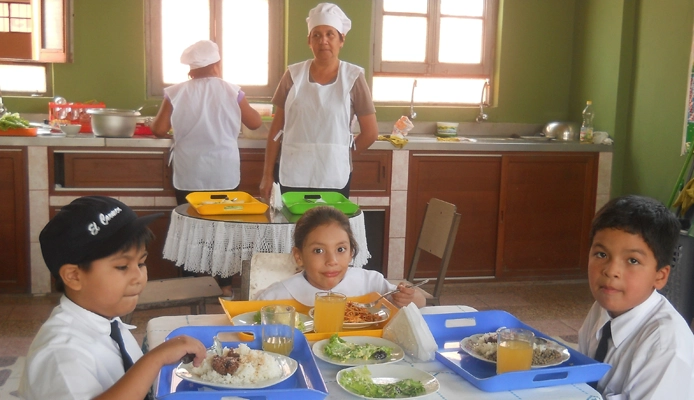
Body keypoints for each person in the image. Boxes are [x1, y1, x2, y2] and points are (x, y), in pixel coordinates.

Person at [19, 196, 207, 400]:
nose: (138, 276)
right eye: (122, 267)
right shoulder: (61, 354)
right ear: (74, 276)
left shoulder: (107, 320)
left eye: (141, 263)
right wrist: (155, 359)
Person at [151, 39, 261, 297]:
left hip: (189, 173)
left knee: (190, 229)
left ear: (190, 69)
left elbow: (158, 129)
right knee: (223, 231)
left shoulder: (176, 92)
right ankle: (225, 286)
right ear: (217, 65)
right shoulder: (232, 91)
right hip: (223, 173)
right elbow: (255, 122)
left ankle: (192, 287)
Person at [578, 195, 694, 399]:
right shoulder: (602, 307)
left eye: (632, 260)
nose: (611, 271)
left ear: (660, 276)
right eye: (601, 255)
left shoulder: (665, 348)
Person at [259, 3, 378, 200]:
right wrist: (266, 174)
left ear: (341, 40)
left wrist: (343, 154)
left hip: (333, 176)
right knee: (291, 221)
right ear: (309, 41)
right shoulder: (293, 75)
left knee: (330, 221)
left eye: (330, 34)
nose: (323, 41)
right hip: (293, 173)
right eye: (316, 35)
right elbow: (276, 131)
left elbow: (371, 132)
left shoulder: (353, 77)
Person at [256, 206, 426, 308]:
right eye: (318, 251)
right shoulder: (276, 297)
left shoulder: (370, 284)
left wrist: (408, 297)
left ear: (351, 252)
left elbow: (420, 302)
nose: (332, 261)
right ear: (298, 256)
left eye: (341, 249)